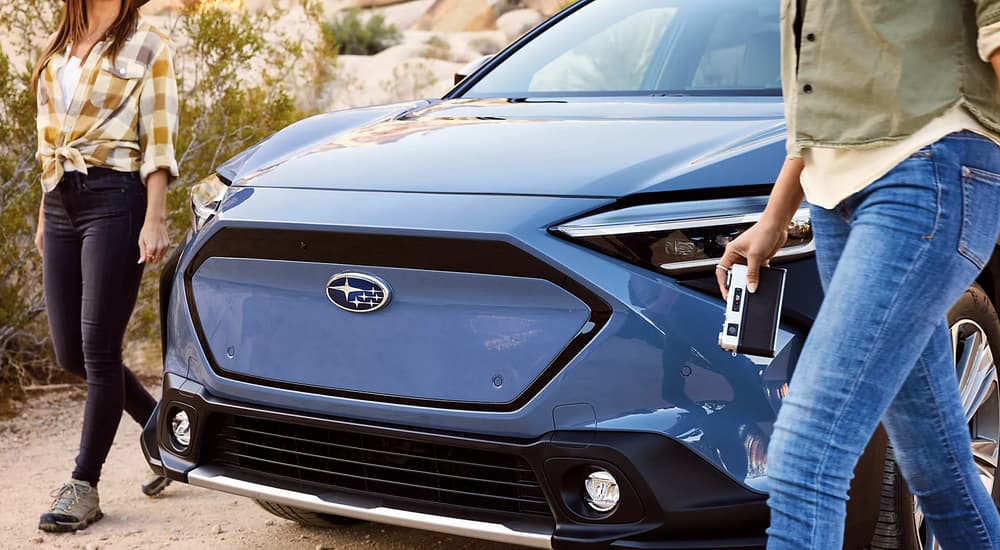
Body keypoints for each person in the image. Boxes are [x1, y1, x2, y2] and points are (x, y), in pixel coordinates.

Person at [717, 1, 1000, 548]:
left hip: (927, 173)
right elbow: (825, 102)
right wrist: (775, 218)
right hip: (834, 197)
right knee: (937, 467)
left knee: (806, 451)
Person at [31, 0, 178, 533]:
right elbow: (47, 134)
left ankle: (83, 486)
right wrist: (45, 210)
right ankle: (161, 426)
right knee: (71, 352)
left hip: (116, 198)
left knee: (99, 349)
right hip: (60, 200)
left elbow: (158, 136)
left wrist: (155, 217)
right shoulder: (57, 42)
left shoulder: (148, 43)